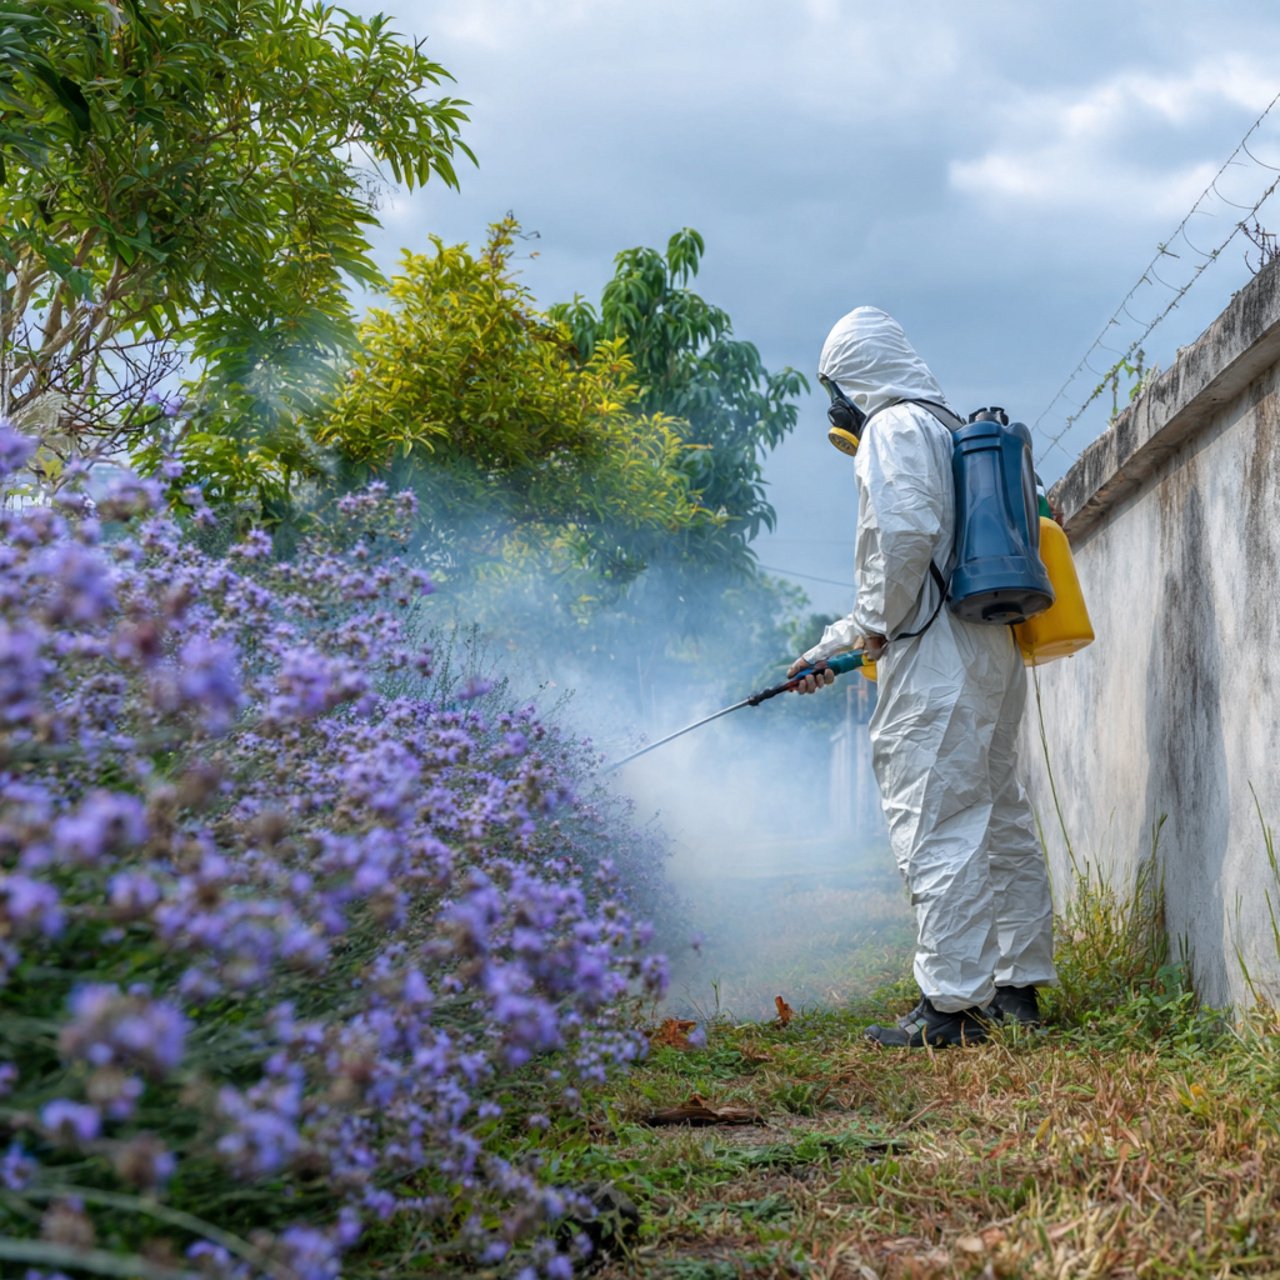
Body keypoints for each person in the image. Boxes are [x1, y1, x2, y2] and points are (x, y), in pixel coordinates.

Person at [789, 306, 1056, 1048]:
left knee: (938, 821)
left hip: (936, 657)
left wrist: (864, 629)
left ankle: (950, 1007)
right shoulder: (945, 426)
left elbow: (903, 541)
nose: (836, 406)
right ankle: (1017, 987)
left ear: (858, 374)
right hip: (989, 644)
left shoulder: (892, 428)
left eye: (835, 386)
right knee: (999, 812)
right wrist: (835, 645)